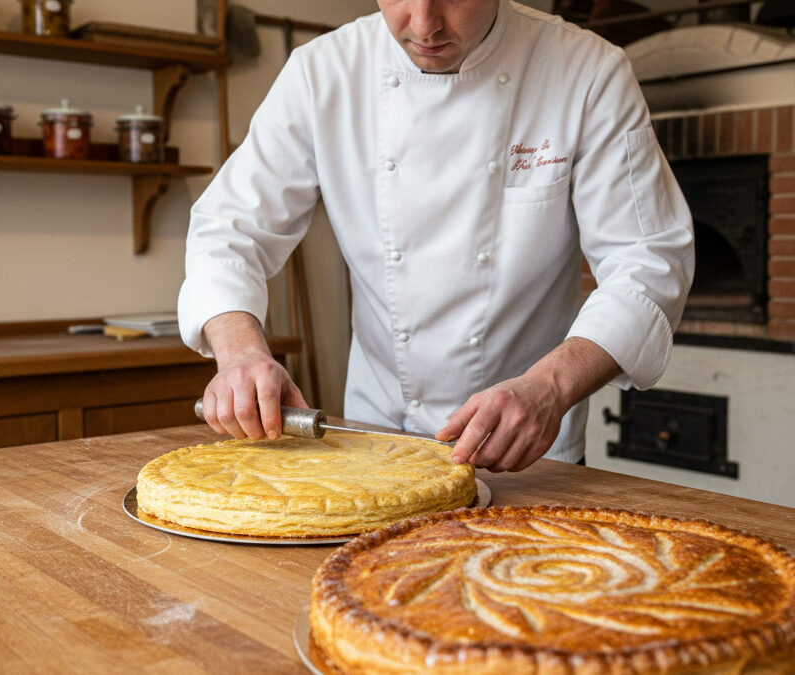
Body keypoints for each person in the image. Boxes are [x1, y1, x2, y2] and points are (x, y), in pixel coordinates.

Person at [178, 0, 694, 472]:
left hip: (527, 455)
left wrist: (549, 388)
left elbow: (647, 262)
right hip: (373, 440)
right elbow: (230, 229)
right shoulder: (323, 73)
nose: (425, 24)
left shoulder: (586, 71)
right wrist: (241, 352)